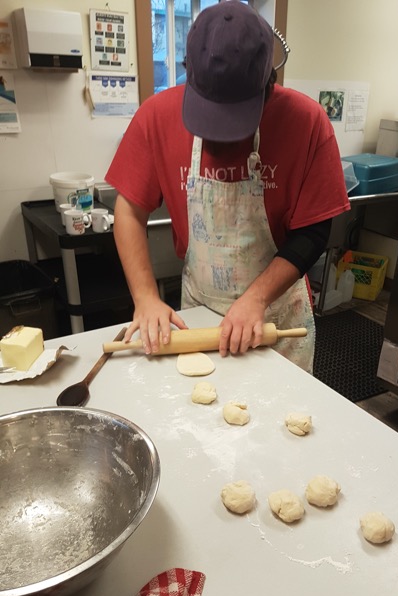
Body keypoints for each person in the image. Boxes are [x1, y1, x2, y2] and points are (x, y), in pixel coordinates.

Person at [106, 0, 350, 373]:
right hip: (198, 314)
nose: (219, 141)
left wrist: (257, 298)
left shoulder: (307, 123)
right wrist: (145, 297)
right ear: (191, 73)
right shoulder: (156, 116)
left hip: (276, 318)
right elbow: (129, 210)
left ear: (268, 86)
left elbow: (314, 231)